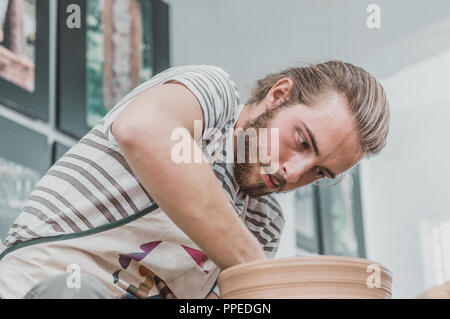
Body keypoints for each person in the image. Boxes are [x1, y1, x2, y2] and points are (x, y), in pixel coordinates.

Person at [0, 61, 390, 299]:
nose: (292, 172)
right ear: (278, 95)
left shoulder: (265, 221)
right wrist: (253, 267)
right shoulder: (213, 101)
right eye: (301, 141)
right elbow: (142, 128)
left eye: (318, 172)